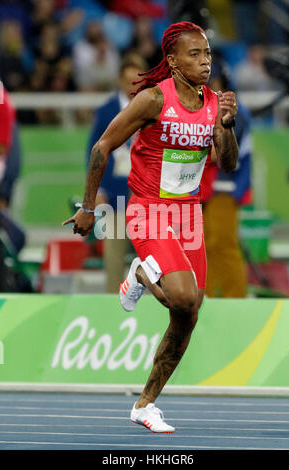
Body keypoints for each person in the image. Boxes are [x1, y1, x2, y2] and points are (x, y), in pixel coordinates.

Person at [63, 21, 238, 433]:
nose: (205, 61)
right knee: (180, 296)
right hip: (147, 209)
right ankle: (141, 270)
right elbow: (102, 146)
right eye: (194, 55)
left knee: (190, 312)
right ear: (173, 61)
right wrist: (88, 207)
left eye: (208, 54)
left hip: (188, 216)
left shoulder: (213, 103)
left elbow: (227, 163)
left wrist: (227, 126)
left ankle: (145, 404)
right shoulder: (152, 100)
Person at [86, 53, 147, 293]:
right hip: (116, 196)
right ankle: (112, 304)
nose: (133, 85)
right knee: (114, 255)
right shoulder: (106, 111)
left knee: (153, 259)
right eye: (129, 80)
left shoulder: (154, 108)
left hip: (146, 199)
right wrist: (98, 189)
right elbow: (95, 152)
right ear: (120, 80)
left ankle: (156, 308)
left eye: (138, 80)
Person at [201, 56, 252, 298]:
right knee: (204, 248)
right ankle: (206, 298)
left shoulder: (234, 112)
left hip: (223, 188)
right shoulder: (203, 107)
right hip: (202, 191)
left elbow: (224, 153)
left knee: (223, 245)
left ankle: (235, 298)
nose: (211, 86)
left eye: (214, 81)